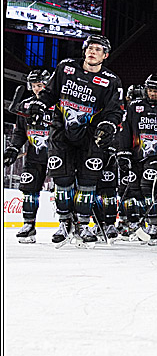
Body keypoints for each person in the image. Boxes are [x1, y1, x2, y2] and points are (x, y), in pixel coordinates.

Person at [23, 35, 124, 247]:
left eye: (98, 49)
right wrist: (39, 104)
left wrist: (108, 126)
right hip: (61, 133)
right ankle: (64, 222)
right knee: (63, 182)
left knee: (87, 183)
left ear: (105, 55)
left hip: (91, 137)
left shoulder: (111, 81)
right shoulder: (65, 68)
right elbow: (50, 94)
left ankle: (82, 225)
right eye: (90, 48)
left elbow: (114, 112)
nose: (92, 52)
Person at [114, 74, 157, 244]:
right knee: (134, 189)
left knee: (149, 187)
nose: (153, 94)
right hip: (136, 155)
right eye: (150, 90)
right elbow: (126, 130)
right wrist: (123, 152)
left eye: (156, 91)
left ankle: (154, 225)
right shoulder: (135, 106)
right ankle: (140, 222)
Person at [4, 69, 53, 243]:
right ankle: (29, 225)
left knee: (64, 191)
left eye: (40, 85)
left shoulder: (57, 104)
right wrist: (13, 148)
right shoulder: (25, 105)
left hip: (57, 156)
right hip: (34, 157)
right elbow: (19, 132)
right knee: (29, 191)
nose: (36, 89)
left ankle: (71, 224)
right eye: (33, 86)